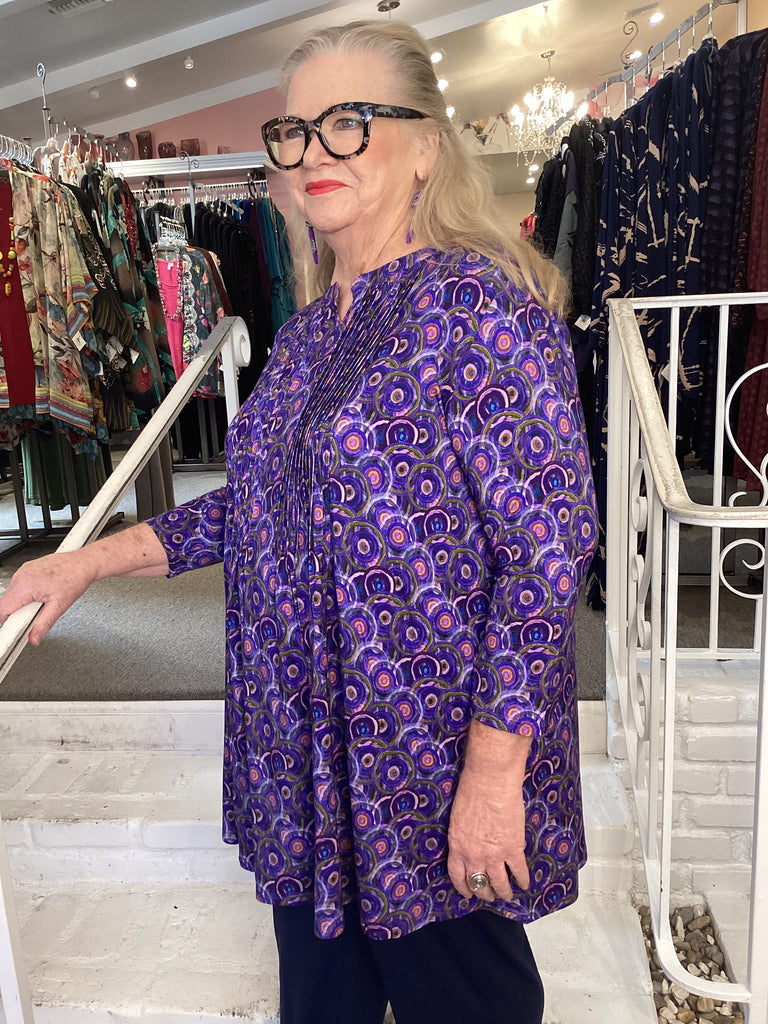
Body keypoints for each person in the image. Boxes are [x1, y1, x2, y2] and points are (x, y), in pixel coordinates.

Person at [0, 19, 598, 1024]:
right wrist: (85, 563)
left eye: (349, 120)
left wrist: (495, 773)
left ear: (425, 148)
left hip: (421, 751)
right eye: (295, 129)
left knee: (468, 1000)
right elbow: (258, 504)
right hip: (303, 750)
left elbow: (547, 553)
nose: (314, 149)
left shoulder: (480, 307)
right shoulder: (313, 330)